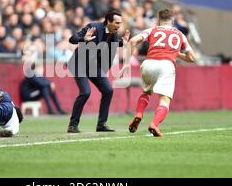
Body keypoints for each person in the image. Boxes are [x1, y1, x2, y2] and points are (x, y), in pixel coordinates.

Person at [120, 9, 196, 137]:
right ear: (172, 20)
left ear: (158, 19)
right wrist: (177, 54)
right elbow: (192, 58)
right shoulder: (180, 34)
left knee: (146, 92)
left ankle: (138, 114)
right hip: (166, 65)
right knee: (164, 100)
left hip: (148, 64)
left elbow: (133, 41)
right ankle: (154, 124)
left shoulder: (152, 30)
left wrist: (127, 63)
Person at [67, 9, 129, 133]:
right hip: (79, 63)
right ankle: (72, 125)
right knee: (85, 92)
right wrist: (84, 39)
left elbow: (116, 43)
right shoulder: (93, 27)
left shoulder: (114, 34)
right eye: (117, 23)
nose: (119, 26)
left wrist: (125, 43)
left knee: (108, 90)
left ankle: (101, 124)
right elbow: (72, 39)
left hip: (94, 66)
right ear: (108, 22)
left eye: (120, 23)